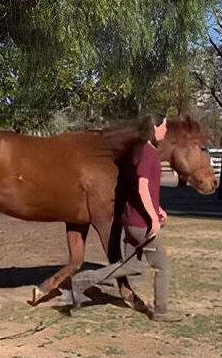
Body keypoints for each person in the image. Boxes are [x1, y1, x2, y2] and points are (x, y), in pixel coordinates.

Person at [70, 115, 181, 322]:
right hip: (141, 225)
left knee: (129, 267)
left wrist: (159, 209)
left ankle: (82, 280)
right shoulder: (149, 154)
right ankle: (161, 311)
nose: (165, 131)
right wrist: (153, 219)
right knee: (163, 265)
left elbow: (136, 189)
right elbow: (142, 187)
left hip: (130, 222)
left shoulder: (137, 151)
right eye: (164, 125)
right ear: (154, 128)